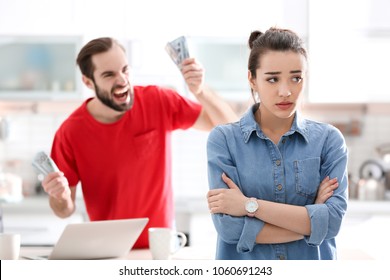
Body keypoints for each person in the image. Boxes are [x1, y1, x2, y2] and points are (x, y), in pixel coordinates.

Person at [41, 37, 238, 248]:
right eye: (109, 74)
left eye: (125, 69)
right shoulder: (70, 132)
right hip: (108, 251)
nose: (122, 80)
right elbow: (63, 210)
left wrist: (200, 91)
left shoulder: (157, 101)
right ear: (88, 82)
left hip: (159, 249)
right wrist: (60, 196)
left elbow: (229, 128)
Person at [206, 27, 348, 260]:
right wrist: (310, 219)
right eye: (272, 79)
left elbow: (331, 224)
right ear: (252, 79)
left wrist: (248, 206)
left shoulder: (328, 140)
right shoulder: (224, 140)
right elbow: (230, 229)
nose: (285, 91)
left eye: (296, 78)